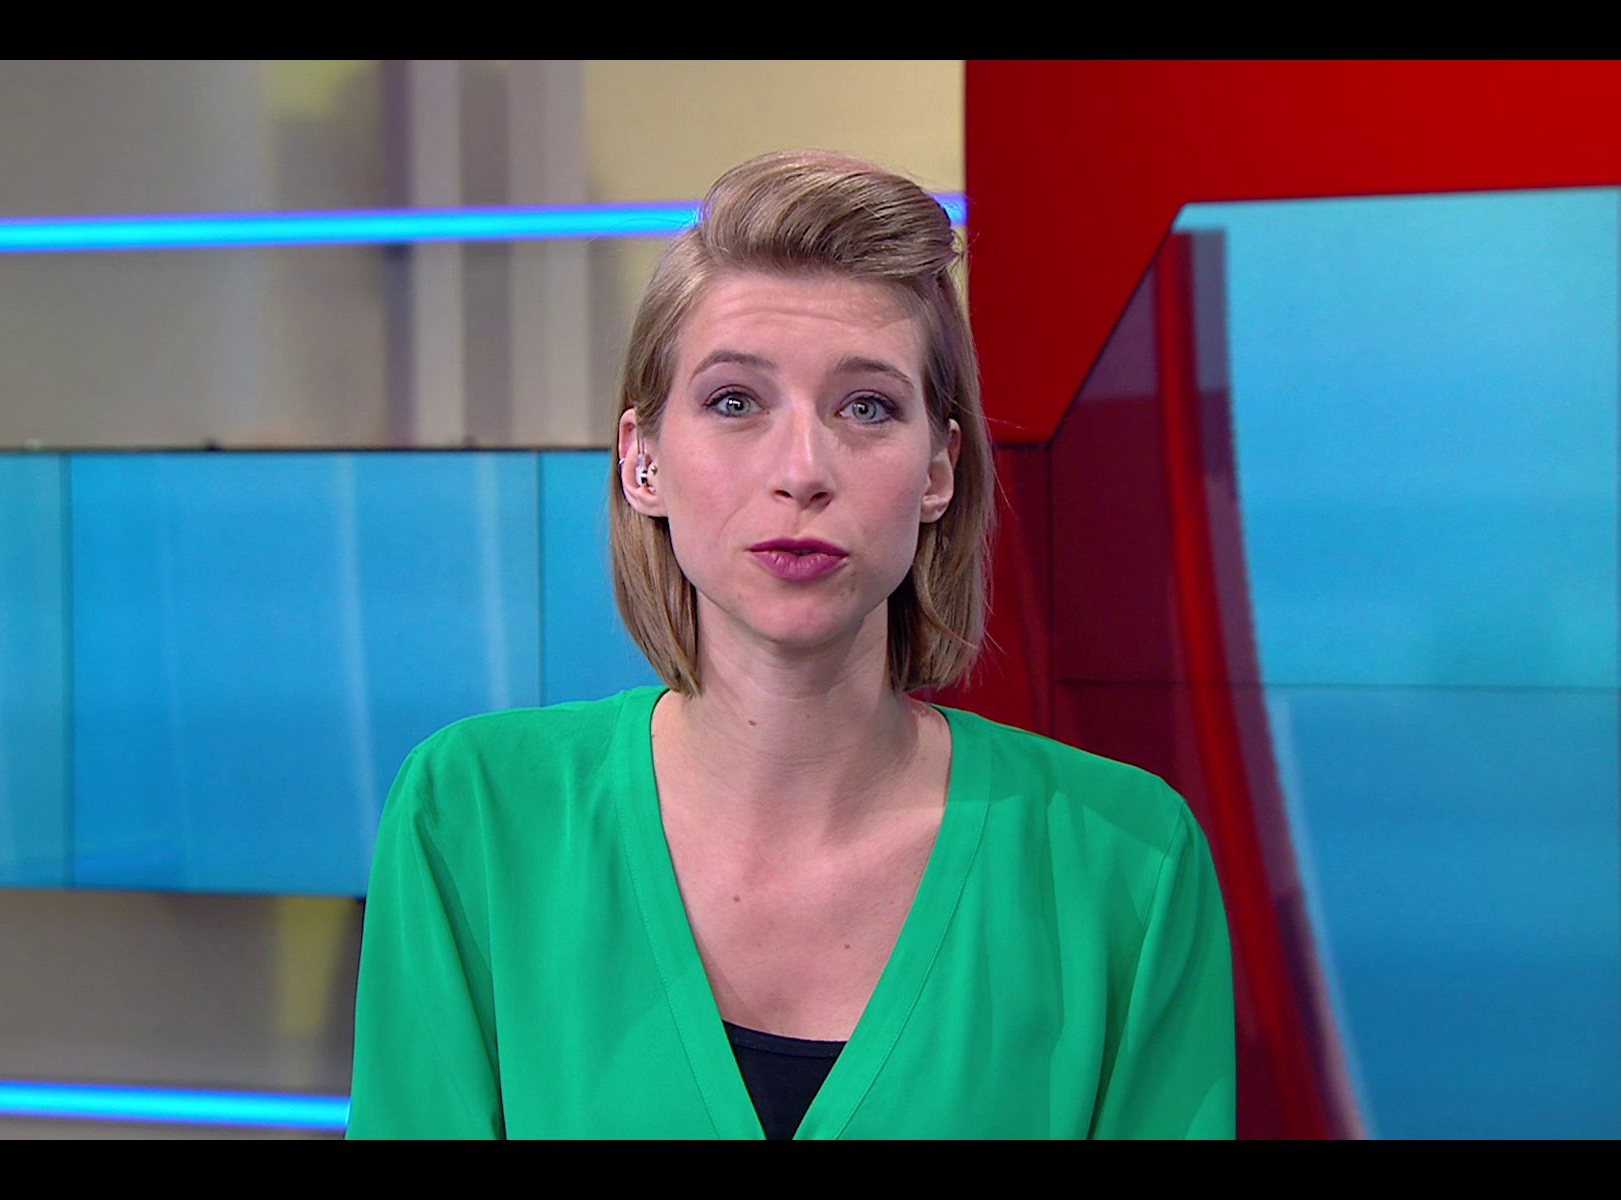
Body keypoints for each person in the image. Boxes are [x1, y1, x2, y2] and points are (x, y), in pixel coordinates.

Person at [346, 149, 1234, 1139]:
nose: (803, 469)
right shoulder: (473, 817)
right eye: (735, 402)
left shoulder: (1127, 863)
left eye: (867, 407)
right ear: (642, 462)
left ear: (938, 471)